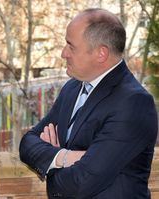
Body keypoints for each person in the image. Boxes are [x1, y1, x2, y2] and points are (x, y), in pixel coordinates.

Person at [19, 8, 158, 199]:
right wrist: (63, 157)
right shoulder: (71, 89)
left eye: (71, 46)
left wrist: (49, 166)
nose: (63, 53)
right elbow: (27, 143)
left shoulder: (133, 103)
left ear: (101, 54)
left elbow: (81, 183)